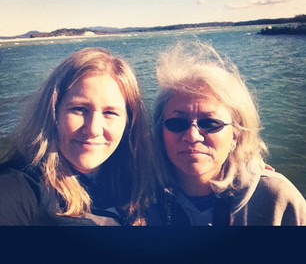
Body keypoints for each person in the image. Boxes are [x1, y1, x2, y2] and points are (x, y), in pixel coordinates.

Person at [0, 47, 159, 226]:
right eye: (79, 109)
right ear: (52, 113)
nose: (93, 129)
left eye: (110, 113)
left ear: (129, 122)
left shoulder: (139, 179)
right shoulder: (23, 186)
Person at [153, 41, 306, 226]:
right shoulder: (139, 198)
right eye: (177, 123)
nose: (192, 136)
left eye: (210, 123)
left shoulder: (276, 198)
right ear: (160, 131)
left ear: (236, 135)